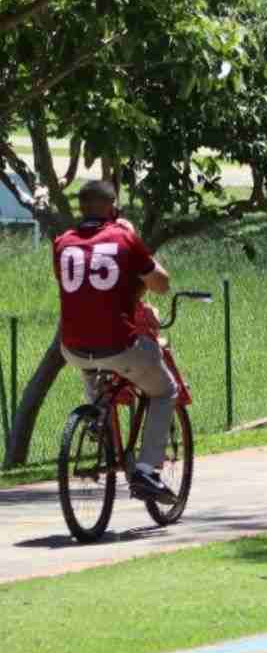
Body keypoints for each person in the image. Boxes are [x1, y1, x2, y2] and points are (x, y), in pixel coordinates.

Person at [52, 179, 180, 505]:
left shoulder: (62, 243)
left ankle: (97, 416)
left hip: (72, 347)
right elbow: (162, 284)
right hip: (119, 345)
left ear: (82, 207)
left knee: (90, 361)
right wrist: (132, 235)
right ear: (112, 206)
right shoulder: (123, 236)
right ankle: (148, 470)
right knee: (165, 391)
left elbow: (89, 291)